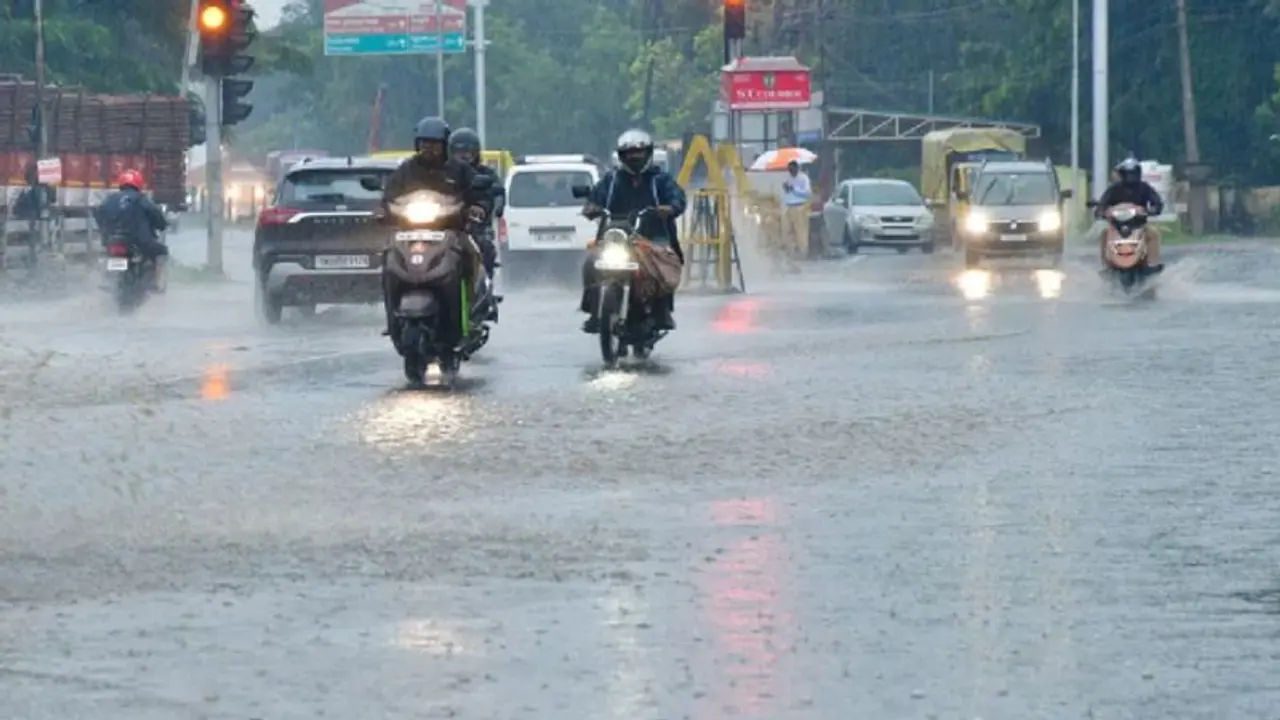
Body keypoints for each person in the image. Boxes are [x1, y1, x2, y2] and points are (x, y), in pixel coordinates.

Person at [379, 116, 491, 345]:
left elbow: (480, 194)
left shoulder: (459, 169)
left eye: (435, 144)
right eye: (424, 144)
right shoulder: (406, 170)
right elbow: (389, 195)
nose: (429, 149)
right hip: (408, 233)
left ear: (445, 145)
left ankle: (469, 310)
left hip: (451, 231)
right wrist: (383, 211)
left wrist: (478, 208)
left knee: (471, 255)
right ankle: (392, 317)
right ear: (417, 145)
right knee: (387, 258)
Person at [579, 129, 686, 333]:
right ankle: (593, 311)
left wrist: (670, 208)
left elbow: (677, 197)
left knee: (662, 266)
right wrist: (591, 207)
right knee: (591, 262)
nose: (634, 158)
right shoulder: (611, 181)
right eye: (629, 154)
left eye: (638, 153)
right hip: (616, 236)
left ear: (648, 154)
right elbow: (595, 198)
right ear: (621, 156)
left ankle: (662, 312)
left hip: (654, 237)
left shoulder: (660, 179)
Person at [447, 126, 504, 318]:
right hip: (446, 225)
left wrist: (491, 207)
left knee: (485, 246)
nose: (463, 157)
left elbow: (497, 192)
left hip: (475, 226)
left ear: (476, 153)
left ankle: (484, 290)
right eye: (458, 152)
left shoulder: (485, 173)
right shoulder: (443, 173)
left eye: (468, 152)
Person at [93, 169, 169, 290]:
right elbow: (155, 215)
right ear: (138, 183)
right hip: (141, 241)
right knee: (162, 252)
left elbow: (98, 215)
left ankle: (106, 279)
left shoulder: (110, 199)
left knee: (105, 254)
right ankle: (156, 282)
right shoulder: (141, 199)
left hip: (113, 240)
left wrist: (105, 231)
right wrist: (162, 224)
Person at [1096, 156, 1164, 269]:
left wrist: (1152, 210)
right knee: (1104, 234)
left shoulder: (1144, 188)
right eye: (1127, 173)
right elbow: (1103, 203)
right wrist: (1101, 211)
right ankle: (1105, 263)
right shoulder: (1114, 189)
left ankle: (1153, 262)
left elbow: (1156, 202)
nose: (1130, 176)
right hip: (1116, 226)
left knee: (1153, 234)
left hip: (1138, 225)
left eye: (1133, 173)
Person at [780, 159, 812, 264]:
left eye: (792, 169)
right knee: (786, 230)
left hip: (800, 207)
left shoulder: (803, 178)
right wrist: (786, 188)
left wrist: (794, 189)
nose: (790, 171)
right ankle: (790, 252)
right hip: (788, 206)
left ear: (797, 168)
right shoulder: (787, 178)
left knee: (801, 231)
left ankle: (803, 253)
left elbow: (807, 194)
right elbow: (786, 194)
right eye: (789, 170)